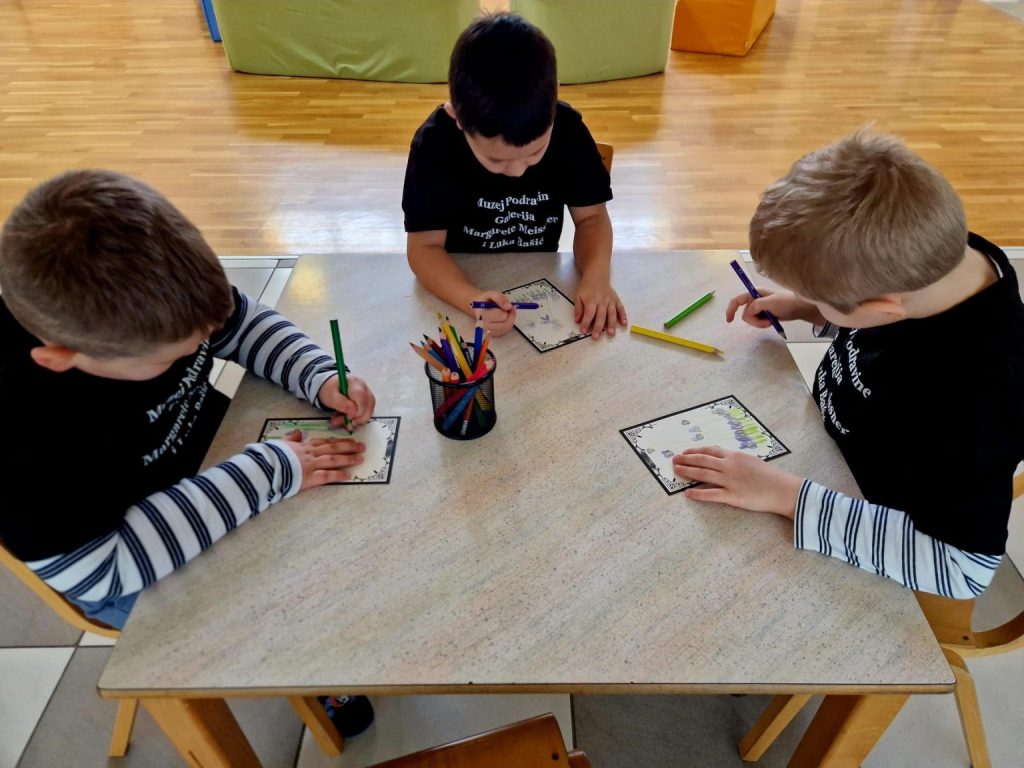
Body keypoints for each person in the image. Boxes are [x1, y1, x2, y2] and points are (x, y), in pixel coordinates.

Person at [0, 169, 376, 735]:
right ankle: (300, 661)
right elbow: (101, 569)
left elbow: (238, 323)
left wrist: (316, 373)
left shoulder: (156, 293)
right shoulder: (20, 439)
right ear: (60, 357)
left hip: (212, 462)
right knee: (277, 603)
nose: (201, 348)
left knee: (332, 538)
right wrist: (266, 471)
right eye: (171, 357)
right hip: (123, 558)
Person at [674, 130, 1024, 599]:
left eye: (822, 298)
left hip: (864, 522)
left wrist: (785, 495)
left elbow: (962, 570)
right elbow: (882, 320)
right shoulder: (942, 258)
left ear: (882, 307)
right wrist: (809, 307)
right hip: (828, 446)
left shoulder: (981, 402)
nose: (814, 301)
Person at [402, 12, 626, 339]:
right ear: (457, 117)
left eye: (535, 153)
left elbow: (591, 218)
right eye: (495, 160)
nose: (518, 170)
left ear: (553, 100)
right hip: (458, 282)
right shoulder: (435, 144)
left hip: (539, 278)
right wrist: (473, 301)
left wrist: (596, 277)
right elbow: (423, 248)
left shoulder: (568, 130)